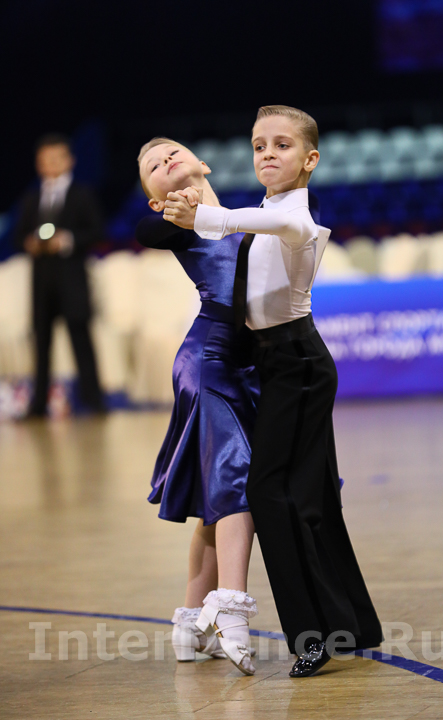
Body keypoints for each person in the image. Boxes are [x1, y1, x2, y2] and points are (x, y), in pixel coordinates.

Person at [163, 105, 383, 678]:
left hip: (298, 365)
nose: (267, 154)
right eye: (259, 145)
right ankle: (351, 625)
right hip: (279, 364)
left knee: (271, 494)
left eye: (282, 145)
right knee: (311, 495)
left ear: (310, 159)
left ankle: (313, 636)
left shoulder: (294, 215)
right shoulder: (266, 209)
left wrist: (205, 217)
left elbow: (286, 230)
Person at [136, 138, 260, 675]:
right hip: (208, 361)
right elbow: (146, 232)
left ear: (204, 163)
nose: (166, 160)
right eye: (153, 166)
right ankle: (231, 609)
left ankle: (190, 623)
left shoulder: (243, 216)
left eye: (172, 152)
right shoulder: (176, 223)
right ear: (154, 196)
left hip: (248, 365)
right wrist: (175, 213)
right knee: (235, 480)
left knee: (218, 502)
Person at [14, 133, 105, 417]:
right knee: (41, 343)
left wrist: (66, 241)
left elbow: (97, 231)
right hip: (42, 281)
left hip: (72, 279)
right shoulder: (32, 197)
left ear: (69, 161)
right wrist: (30, 243)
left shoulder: (82, 193)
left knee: (81, 339)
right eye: (45, 159)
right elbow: (18, 235)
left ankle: (93, 401)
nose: (51, 164)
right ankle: (38, 403)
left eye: (57, 158)